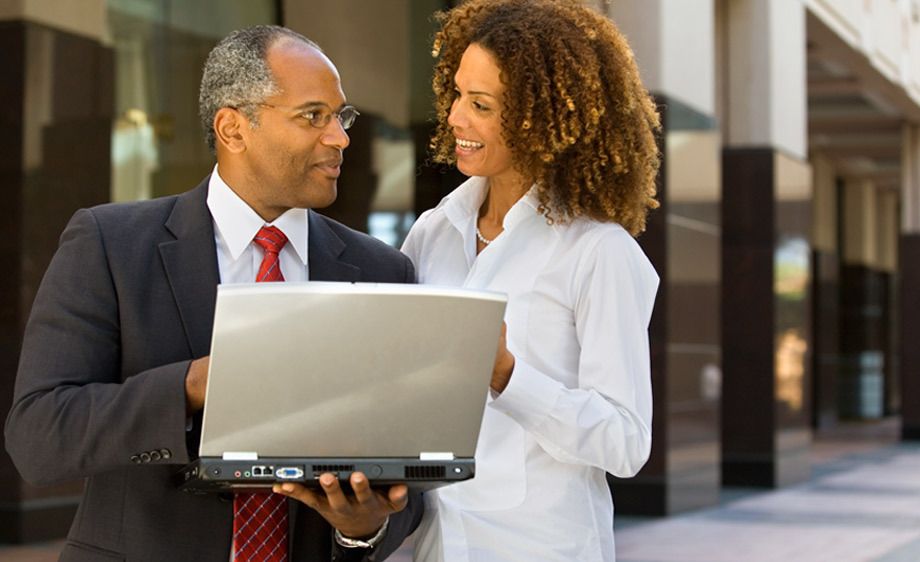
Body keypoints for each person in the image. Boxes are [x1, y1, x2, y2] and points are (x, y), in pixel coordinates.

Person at [5, 25, 421, 562]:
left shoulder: (382, 270)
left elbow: (409, 468)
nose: (340, 138)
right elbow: (40, 437)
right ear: (233, 128)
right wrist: (191, 384)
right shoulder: (110, 245)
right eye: (312, 116)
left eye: (341, 118)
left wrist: (363, 527)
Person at [400, 1, 660, 560]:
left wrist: (506, 375)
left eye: (480, 104)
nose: (453, 118)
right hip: (430, 545)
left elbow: (626, 440)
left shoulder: (599, 251)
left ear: (539, 118)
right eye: (456, 96)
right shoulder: (432, 233)